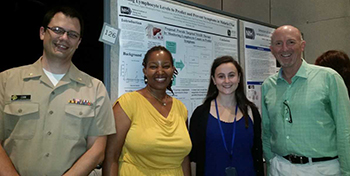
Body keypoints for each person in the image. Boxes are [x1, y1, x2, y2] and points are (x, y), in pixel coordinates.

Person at [0, 6, 116, 175]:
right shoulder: (6, 81)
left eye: (72, 34)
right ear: (42, 33)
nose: (64, 38)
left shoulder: (94, 88)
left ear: (78, 43)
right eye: (57, 30)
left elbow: (97, 151)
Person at [262, 25, 350, 175]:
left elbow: (345, 130)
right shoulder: (268, 86)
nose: (284, 49)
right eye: (278, 43)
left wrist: (346, 170)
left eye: (291, 42)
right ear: (272, 49)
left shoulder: (329, 78)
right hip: (281, 167)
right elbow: (266, 131)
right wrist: (272, 162)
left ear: (302, 46)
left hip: (321, 169)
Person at [102, 46, 192, 176]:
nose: (160, 71)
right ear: (145, 71)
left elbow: (184, 158)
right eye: (153, 66)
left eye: (166, 66)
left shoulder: (181, 109)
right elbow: (111, 157)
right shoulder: (127, 103)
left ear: (173, 70)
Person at [189, 56, 264, 176]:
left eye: (231, 75)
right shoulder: (200, 114)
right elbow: (193, 158)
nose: (227, 81)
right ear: (214, 80)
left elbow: (258, 154)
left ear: (239, 78)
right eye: (221, 76)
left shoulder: (252, 112)